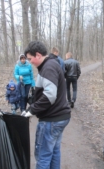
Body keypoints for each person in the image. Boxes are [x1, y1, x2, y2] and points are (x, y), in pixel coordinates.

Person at [21, 41, 71, 169]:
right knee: (54, 152)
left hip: (52, 120)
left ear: (38, 55)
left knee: (43, 155)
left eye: (30, 58)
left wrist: (32, 110)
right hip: (60, 117)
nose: (30, 62)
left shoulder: (48, 67)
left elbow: (50, 95)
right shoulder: (49, 65)